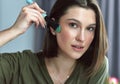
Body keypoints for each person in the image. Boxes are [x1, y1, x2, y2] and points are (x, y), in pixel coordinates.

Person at [0, 0, 109, 84]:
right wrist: (14, 31)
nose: (82, 38)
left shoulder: (96, 66)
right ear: (53, 27)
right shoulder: (18, 66)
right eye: (73, 25)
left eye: (90, 28)